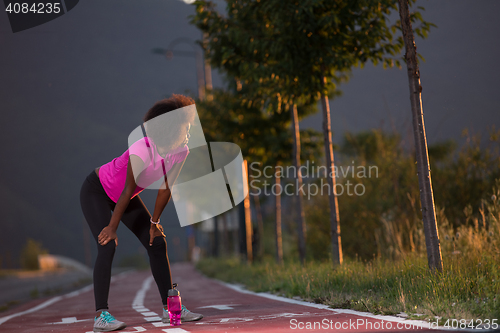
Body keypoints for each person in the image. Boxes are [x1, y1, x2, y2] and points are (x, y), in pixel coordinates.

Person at [80, 94, 203, 332]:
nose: (189, 133)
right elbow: (126, 191)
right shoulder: (143, 149)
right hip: (97, 190)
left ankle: (171, 308)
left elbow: (166, 188)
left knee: (157, 242)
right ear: (171, 129)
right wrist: (112, 227)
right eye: (185, 128)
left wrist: (154, 222)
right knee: (107, 245)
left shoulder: (181, 151)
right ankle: (101, 316)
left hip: (126, 197)